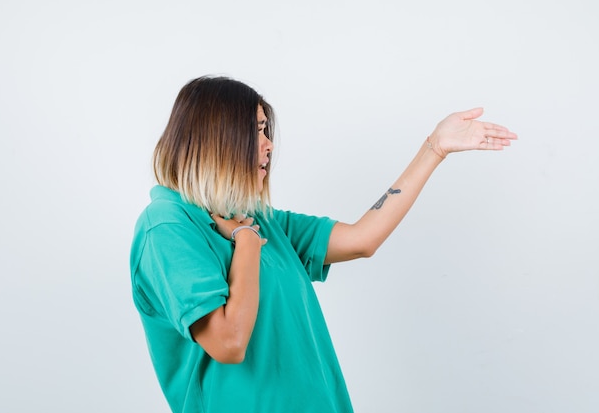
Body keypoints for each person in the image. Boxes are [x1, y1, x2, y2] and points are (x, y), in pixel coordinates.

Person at [130, 75, 517, 413]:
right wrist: (247, 243)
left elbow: (363, 239)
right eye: (256, 130)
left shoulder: (254, 217)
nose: (268, 146)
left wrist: (434, 148)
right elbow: (229, 342)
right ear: (215, 137)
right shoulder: (167, 226)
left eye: (268, 131)